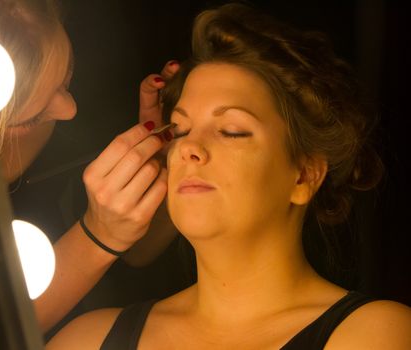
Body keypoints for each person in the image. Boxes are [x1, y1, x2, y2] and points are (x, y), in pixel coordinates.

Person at [46, 2, 411, 349]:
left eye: (232, 131)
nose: (190, 149)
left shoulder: (375, 334)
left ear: (304, 176)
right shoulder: (88, 340)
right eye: (180, 130)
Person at [0, 0, 180, 333]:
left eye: (65, 80)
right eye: (32, 116)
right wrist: (98, 236)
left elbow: (135, 253)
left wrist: (159, 173)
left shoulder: (62, 154)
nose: (69, 110)